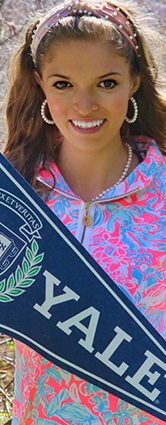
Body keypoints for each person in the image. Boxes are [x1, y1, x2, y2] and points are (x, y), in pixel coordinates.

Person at [2, 0, 166, 423]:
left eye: (106, 83)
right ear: (40, 84)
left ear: (134, 82)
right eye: (63, 84)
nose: (85, 105)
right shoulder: (15, 196)